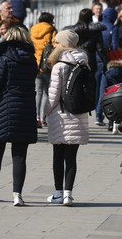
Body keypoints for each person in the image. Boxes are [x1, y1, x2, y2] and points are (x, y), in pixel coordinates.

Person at [0, 26, 38, 207]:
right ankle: (17, 195)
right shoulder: (31, 60)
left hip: (3, 109)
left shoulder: (4, 59)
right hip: (25, 109)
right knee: (20, 154)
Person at [44, 30, 90, 207]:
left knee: (58, 156)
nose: (54, 45)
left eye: (57, 42)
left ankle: (58, 193)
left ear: (63, 44)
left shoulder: (59, 65)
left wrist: (46, 111)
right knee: (72, 157)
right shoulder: (83, 62)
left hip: (60, 115)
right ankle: (68, 195)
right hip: (78, 114)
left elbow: (53, 95)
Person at [64, 8, 109, 126]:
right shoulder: (96, 31)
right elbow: (100, 50)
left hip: (75, 61)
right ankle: (89, 111)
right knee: (90, 89)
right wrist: (108, 62)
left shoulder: (73, 31)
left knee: (75, 87)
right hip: (90, 62)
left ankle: (75, 114)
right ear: (91, 17)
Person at [30, 12, 57, 128]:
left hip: (34, 64)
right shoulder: (52, 31)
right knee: (46, 91)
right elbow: (56, 46)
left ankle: (35, 116)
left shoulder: (32, 30)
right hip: (47, 65)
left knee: (37, 91)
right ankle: (42, 118)